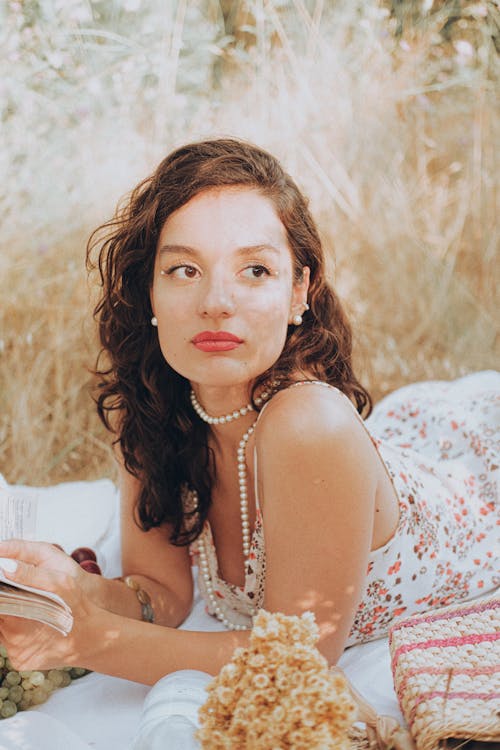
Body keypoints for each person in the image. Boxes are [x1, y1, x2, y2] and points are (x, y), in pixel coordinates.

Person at [0, 138, 497, 686]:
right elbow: (161, 593)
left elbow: (296, 659)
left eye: (255, 270)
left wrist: (88, 639)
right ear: (149, 294)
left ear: (298, 292)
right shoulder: (154, 409)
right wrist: (75, 593)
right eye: (184, 270)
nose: (216, 301)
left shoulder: (309, 426)